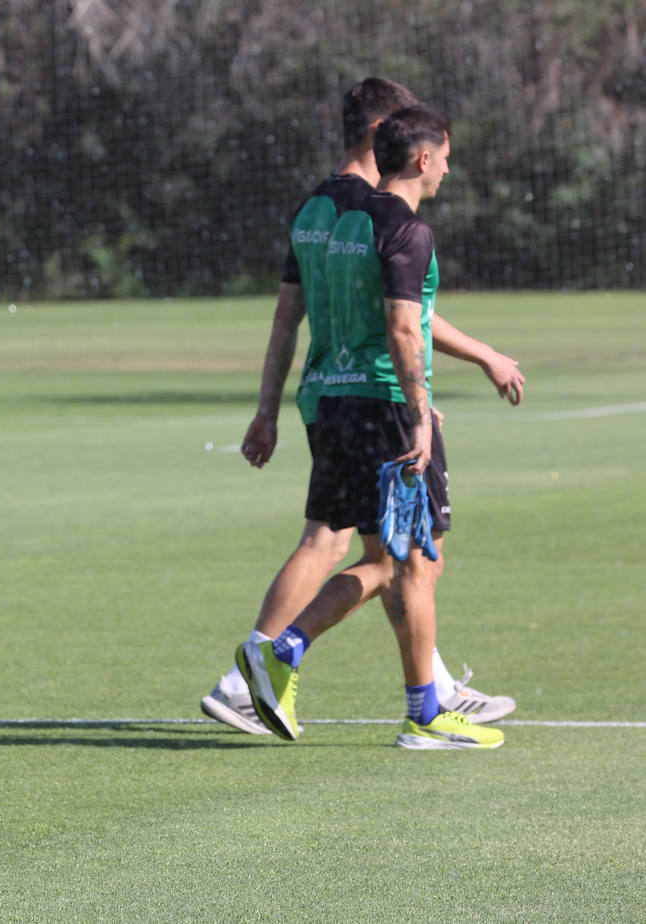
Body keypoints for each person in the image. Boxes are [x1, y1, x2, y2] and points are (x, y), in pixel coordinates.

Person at [200, 79, 520, 734]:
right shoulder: (373, 212)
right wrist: (421, 397)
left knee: (370, 548)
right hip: (377, 398)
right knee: (391, 553)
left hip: (327, 392)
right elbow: (404, 319)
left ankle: (423, 687)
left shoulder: (318, 209)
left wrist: (268, 405)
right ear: (385, 135)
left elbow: (289, 319)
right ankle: (263, 668)